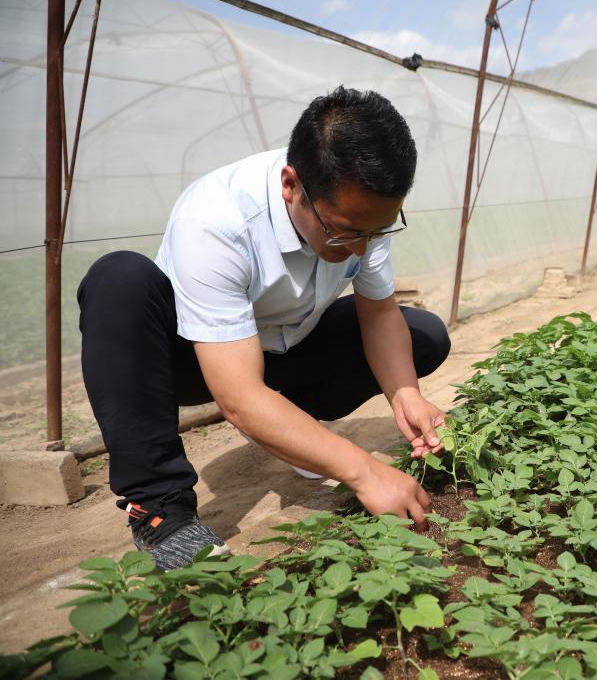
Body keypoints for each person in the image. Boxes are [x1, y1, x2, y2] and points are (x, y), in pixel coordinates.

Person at [77, 86, 450, 571]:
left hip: (287, 346)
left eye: (376, 231)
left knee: (423, 333)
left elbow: (379, 312)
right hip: (199, 359)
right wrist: (364, 472)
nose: (361, 248)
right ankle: (159, 508)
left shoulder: (360, 213)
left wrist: (405, 395)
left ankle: (287, 424)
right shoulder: (215, 219)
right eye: (345, 232)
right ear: (291, 185)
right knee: (119, 279)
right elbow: (237, 395)